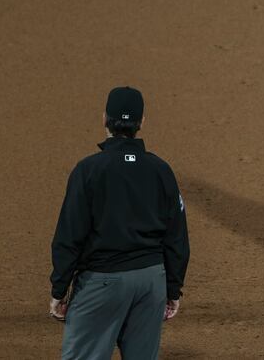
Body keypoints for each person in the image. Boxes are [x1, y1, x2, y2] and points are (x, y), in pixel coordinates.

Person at [49, 86, 190, 359]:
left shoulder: (89, 170)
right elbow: (177, 237)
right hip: (151, 283)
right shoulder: (161, 170)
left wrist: (59, 289)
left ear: (105, 119)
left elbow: (70, 234)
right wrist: (172, 289)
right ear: (141, 123)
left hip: (102, 282)